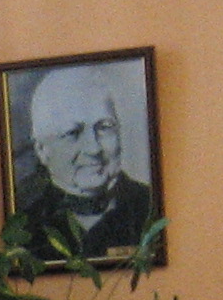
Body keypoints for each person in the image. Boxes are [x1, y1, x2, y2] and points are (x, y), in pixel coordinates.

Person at [16, 65, 158, 262]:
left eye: (104, 127)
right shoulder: (22, 227)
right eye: (73, 133)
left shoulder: (152, 208)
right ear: (42, 149)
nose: (94, 148)